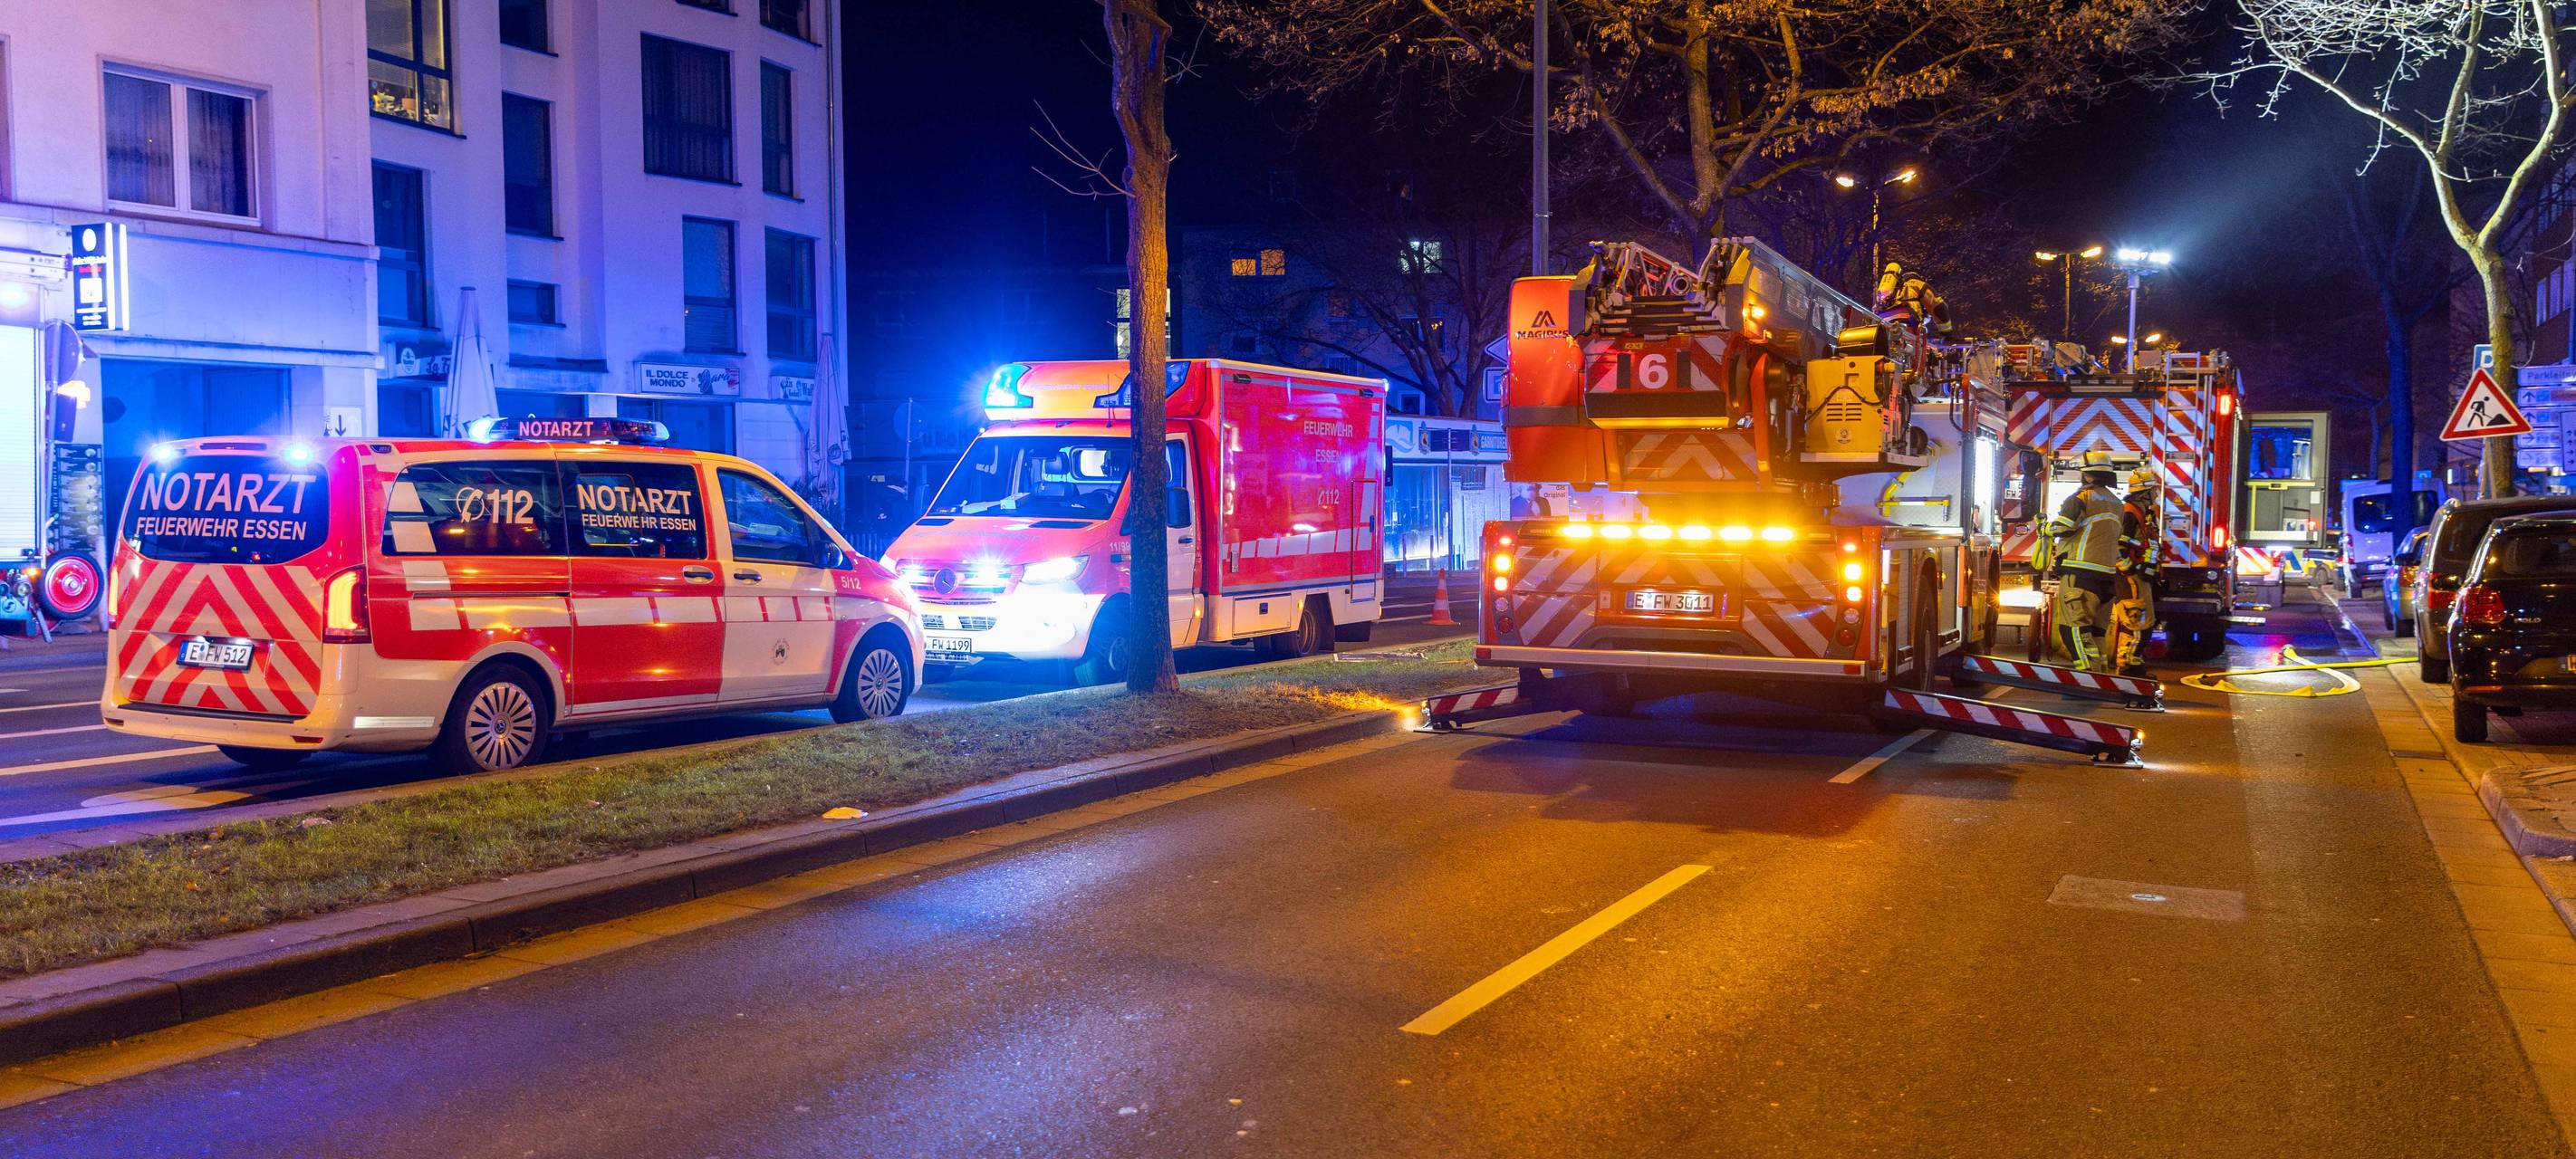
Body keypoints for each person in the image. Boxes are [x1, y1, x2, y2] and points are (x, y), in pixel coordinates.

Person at [2046, 452, 2126, 673]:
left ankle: (2087, 678)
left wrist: (2045, 528)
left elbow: (2064, 527)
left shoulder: (2080, 498)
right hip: (2107, 578)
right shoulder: (2116, 503)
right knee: (2097, 632)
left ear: (2087, 475)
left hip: (2080, 575)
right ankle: (2101, 675)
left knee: (2073, 629)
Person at [2110, 467, 2163, 676]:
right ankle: (2129, 666)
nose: (2156, 494)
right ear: (2144, 492)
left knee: (2142, 621)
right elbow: (2118, 546)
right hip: (2130, 577)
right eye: (2153, 490)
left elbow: (2144, 543)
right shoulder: (2129, 513)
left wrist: (2148, 567)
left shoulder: (2143, 514)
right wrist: (2132, 570)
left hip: (2139, 575)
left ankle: (2131, 663)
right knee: (2136, 621)